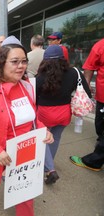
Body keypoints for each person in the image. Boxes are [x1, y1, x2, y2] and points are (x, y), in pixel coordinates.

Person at [0, 44, 54, 215]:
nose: (21, 66)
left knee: (25, 194)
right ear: (1, 63)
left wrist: (43, 130)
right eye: (15, 61)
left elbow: (33, 116)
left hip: (24, 151)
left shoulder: (27, 86)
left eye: (23, 61)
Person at [36, 45, 91, 184]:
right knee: (55, 138)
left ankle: (50, 169)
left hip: (44, 114)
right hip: (64, 112)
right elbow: (87, 93)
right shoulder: (74, 72)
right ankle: (48, 167)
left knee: (43, 140)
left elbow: (33, 97)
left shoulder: (40, 76)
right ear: (63, 58)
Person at [70, 38, 104, 171]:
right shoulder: (100, 46)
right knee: (100, 125)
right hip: (102, 97)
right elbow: (89, 67)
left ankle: (93, 161)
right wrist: (86, 86)